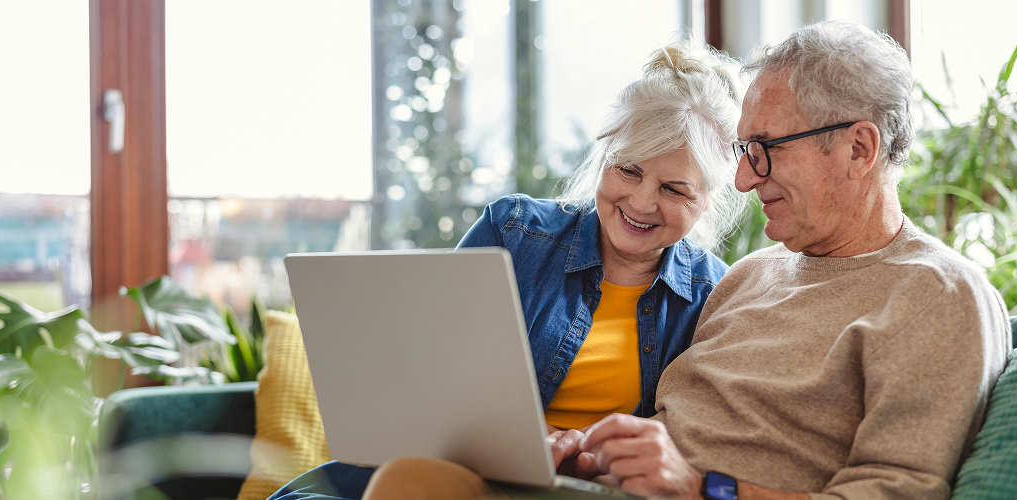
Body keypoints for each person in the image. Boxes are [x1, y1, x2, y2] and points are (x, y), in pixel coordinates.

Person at [359, 20, 1012, 500]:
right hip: (594, 487)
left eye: (764, 151)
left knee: (412, 484)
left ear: (859, 148)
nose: (746, 185)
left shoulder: (939, 293)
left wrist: (706, 486)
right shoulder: (754, 275)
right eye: (743, 153)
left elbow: (896, 491)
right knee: (411, 479)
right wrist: (589, 451)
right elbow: (668, 422)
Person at [267, 38, 748, 500]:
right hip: (457, 472)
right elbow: (430, 384)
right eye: (628, 170)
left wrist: (584, 454)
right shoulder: (514, 233)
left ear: (708, 201)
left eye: (675, 189)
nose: (641, 202)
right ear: (603, 157)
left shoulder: (716, 294)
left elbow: (692, 448)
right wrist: (543, 439)